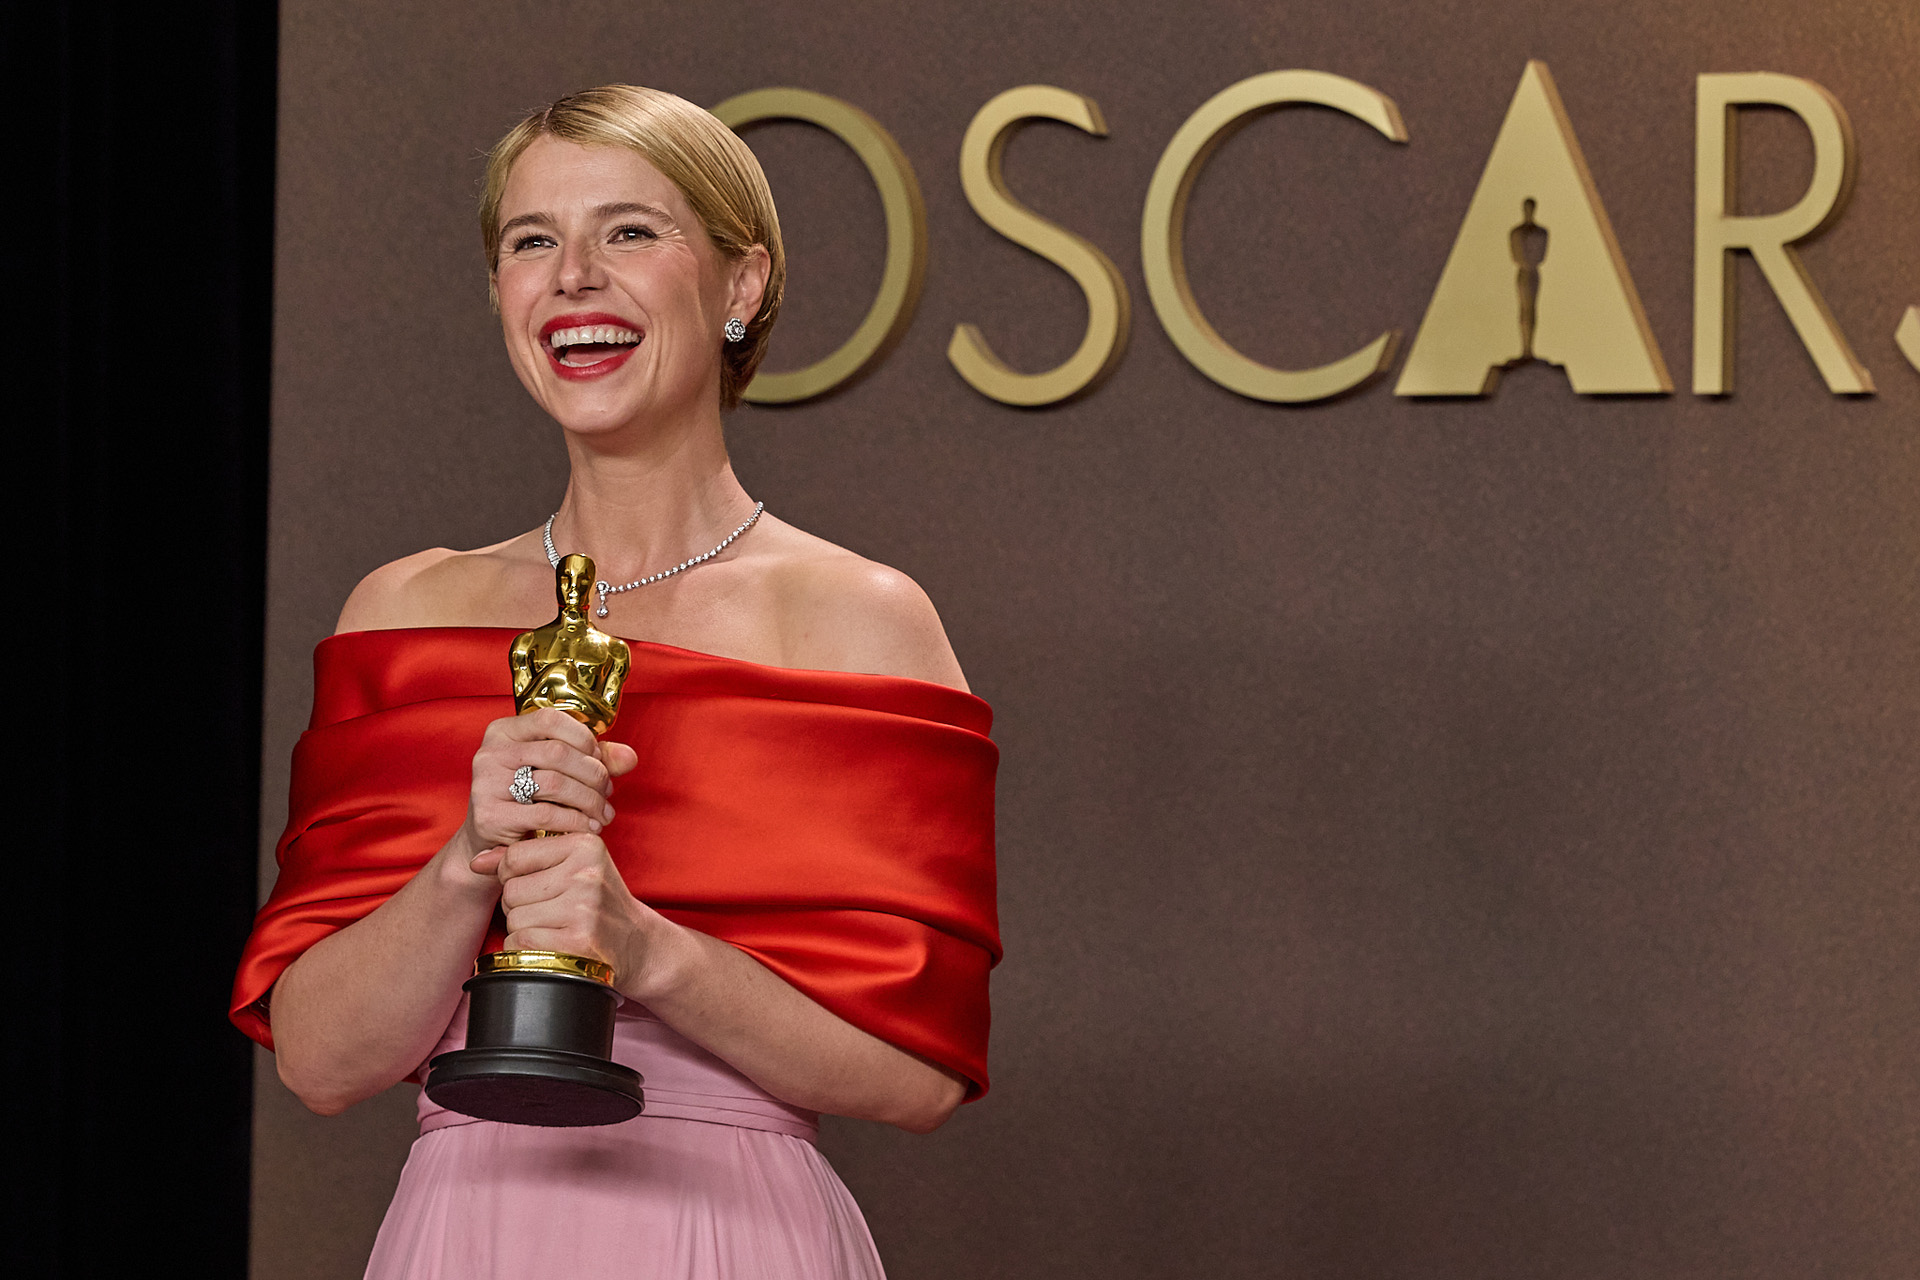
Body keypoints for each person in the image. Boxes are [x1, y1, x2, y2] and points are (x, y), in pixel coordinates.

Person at [230, 84, 1000, 1279]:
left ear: (741, 286)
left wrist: (641, 948)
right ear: (499, 294)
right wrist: (464, 861)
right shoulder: (403, 612)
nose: (574, 274)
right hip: (466, 1230)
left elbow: (921, 1076)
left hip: (731, 1236)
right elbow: (321, 1061)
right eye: (532, 241)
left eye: (629, 231)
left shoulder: (858, 619)